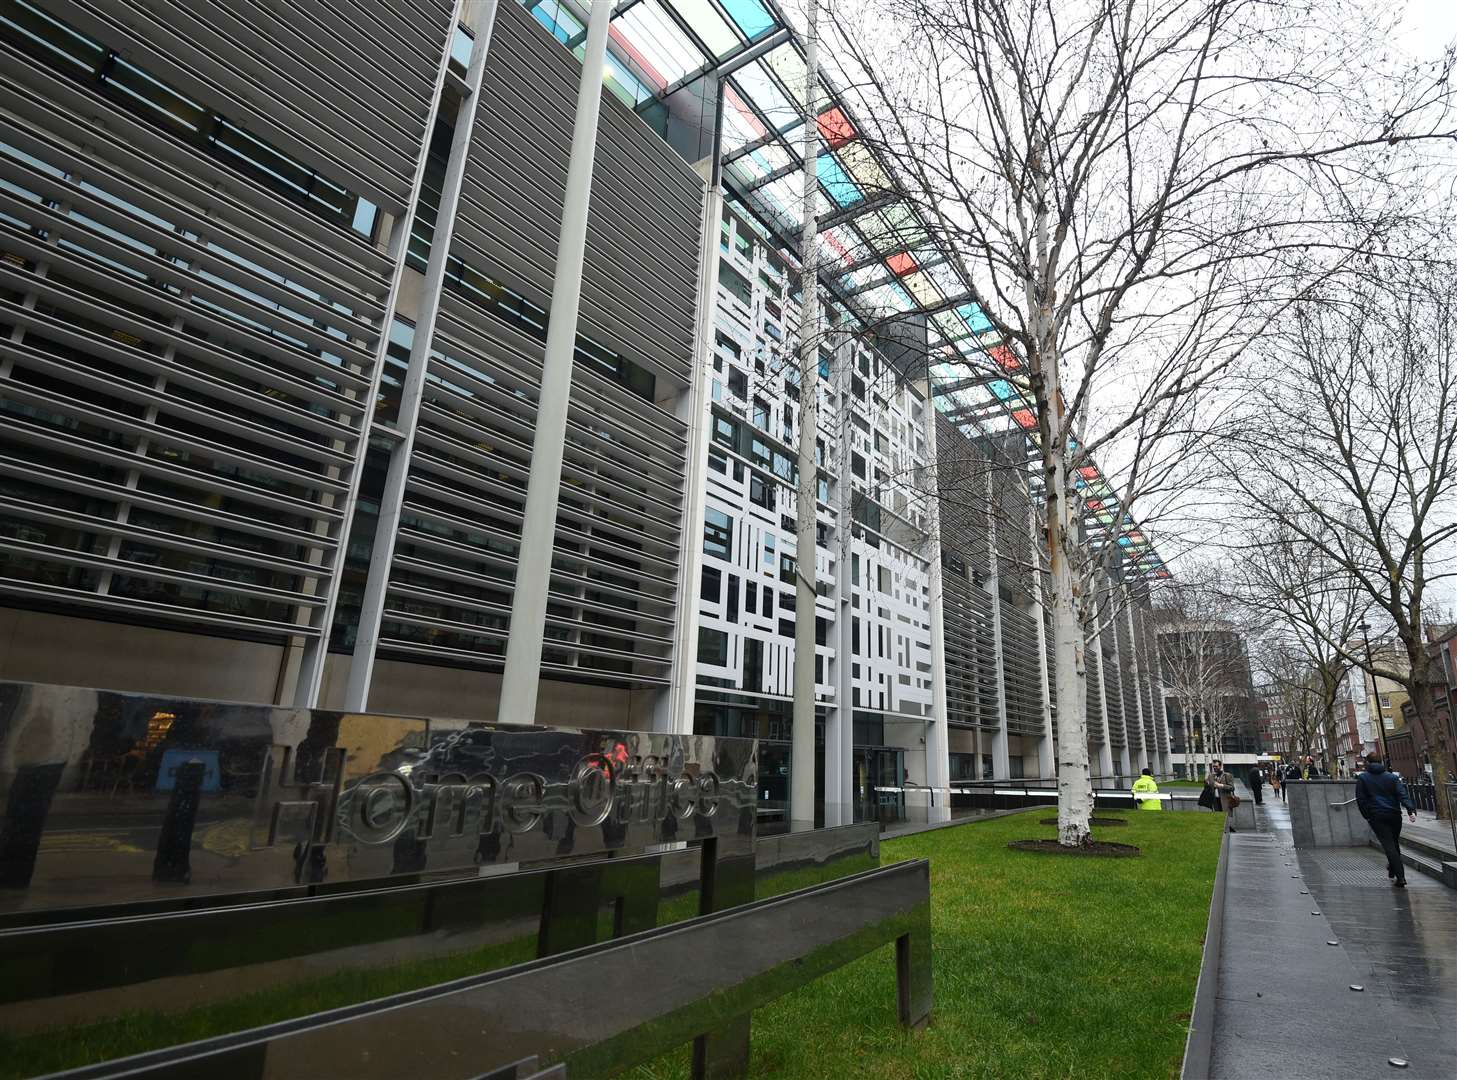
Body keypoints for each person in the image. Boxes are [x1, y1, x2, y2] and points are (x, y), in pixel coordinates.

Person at [1354, 752, 1417, 887]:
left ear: (1368, 762)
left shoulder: (1363, 778)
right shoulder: (1392, 778)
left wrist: (1367, 815)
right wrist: (1410, 809)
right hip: (1394, 814)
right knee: (1394, 843)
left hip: (1377, 815)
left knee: (1389, 845)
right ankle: (1394, 868)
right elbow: (1402, 794)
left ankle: (1400, 877)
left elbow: (1361, 799)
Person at [1205, 760, 1239, 832]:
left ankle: (1228, 829)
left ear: (1220, 766)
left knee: (1226, 815)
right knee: (1217, 815)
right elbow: (1208, 787)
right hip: (1215, 799)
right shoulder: (1211, 776)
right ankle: (1221, 830)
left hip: (1225, 800)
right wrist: (1207, 783)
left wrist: (1222, 785)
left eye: (1216, 766)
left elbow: (1232, 788)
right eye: (1213, 766)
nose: (1215, 768)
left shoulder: (1227, 775)